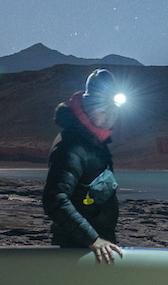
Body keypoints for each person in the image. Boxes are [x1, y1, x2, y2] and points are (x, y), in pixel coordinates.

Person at [42, 69, 123, 262]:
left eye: (113, 110)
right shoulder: (72, 146)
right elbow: (55, 198)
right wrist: (92, 239)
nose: (110, 116)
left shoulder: (95, 144)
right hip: (77, 252)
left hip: (95, 249)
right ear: (88, 106)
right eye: (103, 109)